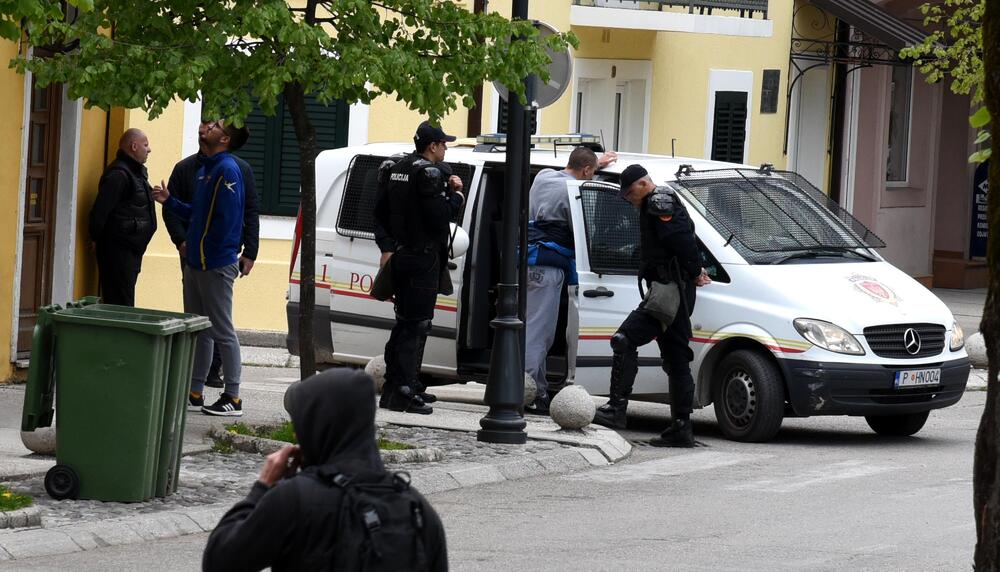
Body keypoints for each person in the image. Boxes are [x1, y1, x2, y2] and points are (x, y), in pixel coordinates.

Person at [203, 368, 448, 571]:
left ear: (318, 427)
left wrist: (262, 488)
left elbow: (220, 561)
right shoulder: (417, 509)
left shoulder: (295, 499)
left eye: (300, 424)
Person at [592, 164, 711, 447]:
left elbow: (682, 241)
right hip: (671, 290)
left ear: (644, 185)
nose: (626, 197)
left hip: (670, 292)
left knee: (624, 339)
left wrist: (695, 272)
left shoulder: (659, 202)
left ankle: (616, 410)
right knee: (677, 359)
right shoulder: (654, 204)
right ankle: (681, 429)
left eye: (629, 191)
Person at [151, 119, 250, 417]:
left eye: (216, 126)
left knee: (222, 330)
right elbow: (198, 213)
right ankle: (195, 392)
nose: (207, 127)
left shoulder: (227, 170)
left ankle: (233, 396)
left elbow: (231, 220)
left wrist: (215, 254)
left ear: (225, 139)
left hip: (216, 264)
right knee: (199, 329)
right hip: (196, 262)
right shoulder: (205, 169)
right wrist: (170, 202)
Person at [373, 121, 465, 415]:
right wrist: (456, 196)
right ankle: (403, 391)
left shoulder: (398, 168)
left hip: (402, 254)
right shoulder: (428, 174)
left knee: (404, 324)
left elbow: (380, 213)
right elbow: (439, 218)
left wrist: (388, 246)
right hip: (422, 258)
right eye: (444, 144)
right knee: (416, 326)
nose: (446, 148)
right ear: (432, 146)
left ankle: (398, 387)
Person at [523, 147, 617, 415]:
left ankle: (538, 392)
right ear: (587, 171)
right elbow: (586, 227)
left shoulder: (542, 177)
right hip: (548, 267)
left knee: (533, 329)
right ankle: (527, 392)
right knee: (539, 334)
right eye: (593, 171)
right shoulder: (574, 192)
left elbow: (572, 174)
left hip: (528, 262)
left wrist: (594, 164)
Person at [88, 129, 157, 306]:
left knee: (124, 300)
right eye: (145, 145)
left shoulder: (135, 173)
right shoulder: (119, 175)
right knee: (120, 304)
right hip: (118, 251)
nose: (149, 150)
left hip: (130, 251)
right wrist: (96, 237)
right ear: (134, 146)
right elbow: (100, 211)